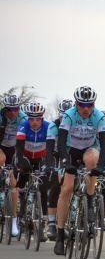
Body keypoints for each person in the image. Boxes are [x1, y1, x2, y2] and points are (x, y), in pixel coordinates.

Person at [54, 87, 105, 255]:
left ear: (94, 105)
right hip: (70, 151)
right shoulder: (69, 115)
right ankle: (60, 234)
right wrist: (65, 161)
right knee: (67, 189)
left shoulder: (99, 117)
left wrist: (100, 166)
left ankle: (90, 201)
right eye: (82, 105)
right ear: (76, 104)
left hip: (88, 150)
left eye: (89, 105)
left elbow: (104, 145)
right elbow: (61, 142)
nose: (86, 109)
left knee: (93, 160)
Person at [14, 101, 50, 242]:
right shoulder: (23, 126)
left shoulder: (48, 127)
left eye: (38, 119)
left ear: (42, 118)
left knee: (43, 186)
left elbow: (52, 148)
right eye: (32, 119)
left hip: (40, 159)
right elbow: (19, 148)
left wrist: (50, 163)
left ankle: (44, 221)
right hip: (26, 157)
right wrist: (21, 161)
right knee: (22, 178)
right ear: (28, 119)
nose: (35, 122)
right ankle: (21, 207)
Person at [0, 94, 28, 237]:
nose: (13, 112)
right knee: (1, 159)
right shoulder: (1, 117)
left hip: (14, 148)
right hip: (1, 146)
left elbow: (25, 139)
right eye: (10, 110)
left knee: (13, 183)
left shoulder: (23, 118)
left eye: (16, 109)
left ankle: (14, 220)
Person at [45, 99, 73, 240]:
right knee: (56, 186)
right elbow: (49, 148)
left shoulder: (75, 124)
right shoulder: (53, 126)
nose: (64, 119)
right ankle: (51, 224)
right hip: (57, 155)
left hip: (71, 154)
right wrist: (50, 165)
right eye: (62, 116)